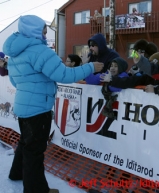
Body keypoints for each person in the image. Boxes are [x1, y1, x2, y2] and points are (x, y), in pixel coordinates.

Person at [3, 15, 104, 193]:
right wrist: (89, 67)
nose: (45, 31)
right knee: (35, 150)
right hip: (38, 109)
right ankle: (37, 189)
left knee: (26, 144)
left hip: (23, 106)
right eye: (43, 28)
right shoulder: (41, 51)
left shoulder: (16, 53)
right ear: (34, 30)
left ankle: (16, 173)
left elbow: (14, 81)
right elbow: (64, 75)